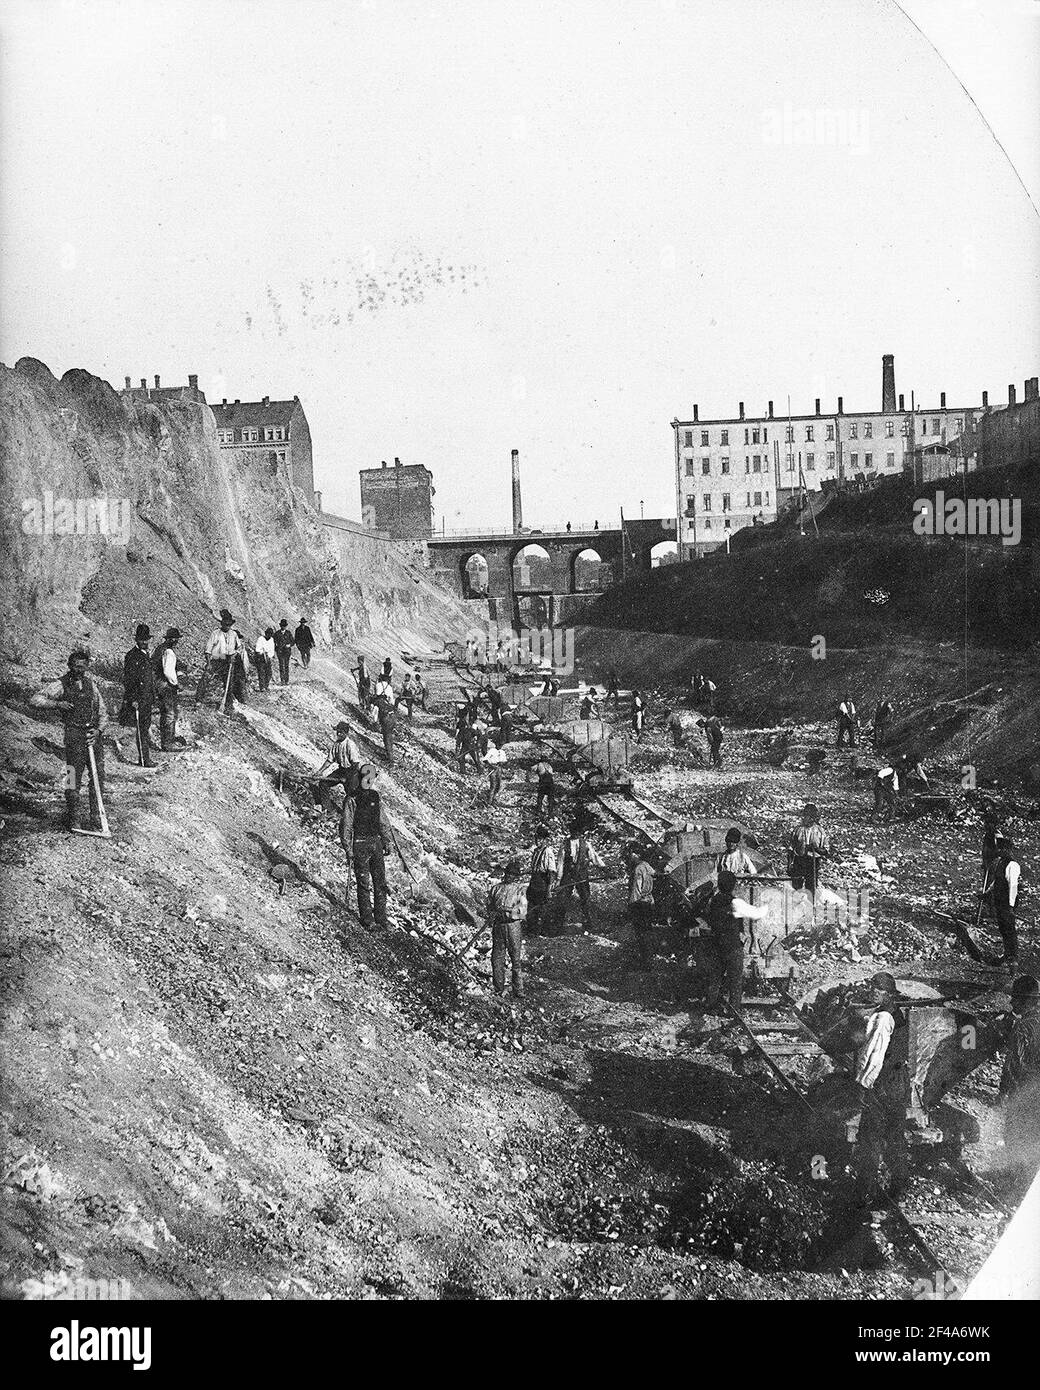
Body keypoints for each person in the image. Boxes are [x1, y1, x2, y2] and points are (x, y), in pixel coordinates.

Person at [32, 650, 109, 832]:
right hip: (74, 735)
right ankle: (73, 818)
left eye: (82, 667)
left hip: (93, 736)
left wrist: (98, 731)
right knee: (72, 775)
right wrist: (57, 704)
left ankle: (96, 816)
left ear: (87, 667)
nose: (78, 670)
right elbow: (35, 699)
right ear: (69, 666)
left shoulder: (91, 685)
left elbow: (103, 712)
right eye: (75, 666)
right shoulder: (61, 684)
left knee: (99, 776)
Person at [851, 973, 910, 1210]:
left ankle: (863, 1193)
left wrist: (862, 1085)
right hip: (898, 1086)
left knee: (870, 1139)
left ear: (887, 993)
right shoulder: (899, 1016)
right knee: (896, 1138)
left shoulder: (883, 1018)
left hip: (881, 1086)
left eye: (877, 988)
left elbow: (873, 1057)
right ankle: (899, 1188)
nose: (872, 991)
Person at [703, 869, 768, 1013]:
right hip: (732, 946)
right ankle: (733, 1011)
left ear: (719, 885)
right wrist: (768, 905)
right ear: (733, 885)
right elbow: (756, 914)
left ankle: (710, 1007)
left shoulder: (713, 900)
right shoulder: (735, 903)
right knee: (735, 980)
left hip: (716, 944)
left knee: (715, 978)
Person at [998, 975, 1040, 1193]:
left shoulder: (1023, 1027)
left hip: (1025, 1091)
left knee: (1016, 1135)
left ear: (1025, 1001)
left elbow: (1014, 1064)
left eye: (1016, 999)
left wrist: (1003, 1091)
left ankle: (1017, 1187)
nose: (1012, 1003)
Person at [340, 765, 391, 932]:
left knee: (371, 882)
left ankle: (374, 919)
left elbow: (347, 825)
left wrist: (386, 840)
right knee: (372, 883)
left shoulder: (357, 798)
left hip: (367, 842)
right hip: (368, 842)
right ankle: (375, 920)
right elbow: (347, 825)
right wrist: (386, 840)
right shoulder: (363, 798)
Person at [487, 859, 528, 998]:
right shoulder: (496, 889)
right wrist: (492, 913)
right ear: (505, 873)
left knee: (515, 958)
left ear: (516, 877)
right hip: (498, 926)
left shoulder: (519, 890)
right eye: (508, 873)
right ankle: (498, 988)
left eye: (513, 875)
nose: (509, 876)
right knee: (497, 958)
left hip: (513, 926)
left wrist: (508, 909)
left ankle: (519, 990)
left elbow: (523, 912)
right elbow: (489, 907)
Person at [556, 821, 605, 934]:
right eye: (574, 831)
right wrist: (558, 880)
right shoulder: (564, 845)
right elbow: (560, 863)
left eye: (577, 831)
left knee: (585, 899)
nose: (576, 833)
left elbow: (594, 857)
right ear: (571, 832)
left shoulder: (586, 844)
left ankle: (589, 925)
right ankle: (557, 926)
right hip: (568, 875)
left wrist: (603, 867)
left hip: (582, 875)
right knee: (562, 899)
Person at [120, 623, 157, 767]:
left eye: (146, 639)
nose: (145, 642)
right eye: (142, 639)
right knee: (142, 728)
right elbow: (129, 680)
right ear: (136, 640)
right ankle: (144, 759)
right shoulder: (131, 656)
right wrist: (133, 698)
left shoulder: (145, 654)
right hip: (139, 698)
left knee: (145, 727)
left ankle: (146, 757)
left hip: (147, 697)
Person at [984, 836, 1021, 966]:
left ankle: (1013, 959)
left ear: (1007, 850)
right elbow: (997, 881)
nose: (998, 851)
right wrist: (987, 892)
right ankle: (1007, 955)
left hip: (1007, 903)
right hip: (1000, 902)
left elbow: (1013, 886)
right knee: (1003, 929)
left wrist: (1010, 906)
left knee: (1009, 930)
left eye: (1001, 849)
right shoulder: (1001, 862)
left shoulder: (1012, 865)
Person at [313, 720, 364, 808]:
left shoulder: (350, 745)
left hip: (352, 772)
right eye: (338, 732)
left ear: (346, 733)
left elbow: (355, 764)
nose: (339, 734)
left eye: (341, 732)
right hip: (341, 770)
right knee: (323, 783)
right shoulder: (336, 744)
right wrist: (320, 771)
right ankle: (328, 808)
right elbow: (329, 760)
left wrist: (346, 777)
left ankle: (353, 814)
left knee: (352, 794)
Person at [153, 627, 187, 750]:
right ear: (172, 639)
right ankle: (168, 743)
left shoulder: (159, 649)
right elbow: (168, 671)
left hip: (158, 683)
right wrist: (176, 683)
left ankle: (167, 740)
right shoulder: (169, 652)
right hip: (165, 685)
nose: (177, 642)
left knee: (165, 712)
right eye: (176, 639)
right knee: (169, 713)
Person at [205, 609, 247, 709]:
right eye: (225, 624)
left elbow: (239, 646)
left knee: (229, 681)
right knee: (206, 677)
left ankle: (228, 703)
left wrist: (234, 654)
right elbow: (208, 649)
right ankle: (199, 698)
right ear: (222, 624)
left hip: (229, 659)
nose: (227, 626)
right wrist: (209, 662)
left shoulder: (234, 634)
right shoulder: (215, 633)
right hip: (217, 656)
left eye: (229, 625)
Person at [787, 803, 830, 894]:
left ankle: (810, 906)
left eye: (806, 816)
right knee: (796, 888)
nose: (804, 818)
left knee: (810, 888)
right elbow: (791, 849)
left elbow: (826, 851)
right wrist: (789, 864)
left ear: (812, 818)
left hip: (813, 862)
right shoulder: (797, 830)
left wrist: (815, 849)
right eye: (804, 815)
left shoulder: (820, 832)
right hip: (799, 862)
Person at [627, 845, 657, 968]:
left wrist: (631, 905)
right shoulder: (647, 865)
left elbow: (636, 889)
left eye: (631, 854)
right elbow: (654, 874)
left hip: (640, 903)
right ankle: (649, 958)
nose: (630, 857)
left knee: (641, 933)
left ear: (636, 854)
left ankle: (646, 962)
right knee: (647, 931)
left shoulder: (638, 869)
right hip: (649, 901)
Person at [526, 825, 557, 935]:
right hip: (534, 881)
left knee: (541, 908)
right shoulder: (535, 851)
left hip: (542, 883)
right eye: (536, 839)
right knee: (531, 907)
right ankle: (532, 930)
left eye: (540, 839)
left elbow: (551, 872)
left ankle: (541, 932)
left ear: (545, 840)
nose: (537, 841)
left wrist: (549, 890)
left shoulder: (548, 852)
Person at [376, 696, 399, 766]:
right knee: (389, 736)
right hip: (393, 717)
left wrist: (376, 724)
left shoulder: (377, 705)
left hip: (386, 720)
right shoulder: (386, 701)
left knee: (386, 738)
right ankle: (390, 754)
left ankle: (390, 759)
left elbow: (374, 718)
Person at [484, 741, 506, 805]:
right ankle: (489, 802)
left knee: (498, 785)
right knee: (493, 785)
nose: (500, 746)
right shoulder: (492, 751)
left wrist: (502, 763)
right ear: (496, 744)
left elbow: (504, 761)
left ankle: (493, 799)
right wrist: (492, 766)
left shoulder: (502, 752)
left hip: (499, 769)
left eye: (501, 745)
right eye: (499, 744)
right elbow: (485, 760)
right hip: (492, 769)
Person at [274, 619, 295, 685]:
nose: (283, 627)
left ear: (286, 626)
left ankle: (287, 680)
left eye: (284, 626)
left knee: (286, 666)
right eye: (282, 625)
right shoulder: (277, 633)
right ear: (280, 626)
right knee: (281, 666)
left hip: (287, 652)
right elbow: (273, 641)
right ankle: (282, 680)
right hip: (280, 652)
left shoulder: (288, 633)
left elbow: (293, 642)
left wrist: (289, 645)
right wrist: (276, 648)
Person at [254, 627, 275, 693]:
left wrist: (269, 656)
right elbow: (257, 649)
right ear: (266, 633)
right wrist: (262, 653)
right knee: (261, 672)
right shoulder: (261, 639)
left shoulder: (271, 640)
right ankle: (262, 687)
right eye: (268, 634)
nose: (269, 635)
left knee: (269, 673)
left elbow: (272, 650)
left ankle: (266, 685)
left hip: (268, 658)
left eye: (270, 634)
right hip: (260, 658)